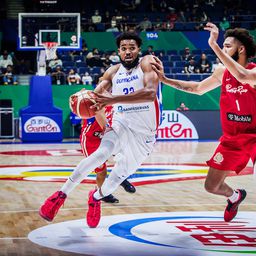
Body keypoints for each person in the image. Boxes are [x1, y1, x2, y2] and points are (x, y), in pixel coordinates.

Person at [39, 32, 161, 228]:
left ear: (139, 49)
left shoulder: (147, 63)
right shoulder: (113, 72)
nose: (128, 51)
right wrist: (83, 99)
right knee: (100, 154)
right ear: (118, 51)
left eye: (132, 48)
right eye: (123, 48)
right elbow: (95, 98)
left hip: (144, 135)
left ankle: (95, 198)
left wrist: (113, 99)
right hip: (121, 124)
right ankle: (59, 196)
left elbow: (149, 94)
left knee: (116, 178)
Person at [151, 22, 256, 222]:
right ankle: (235, 197)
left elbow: (242, 76)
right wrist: (165, 80)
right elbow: (198, 88)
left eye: (227, 46)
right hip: (232, 139)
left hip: (255, 136)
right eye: (222, 46)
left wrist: (214, 45)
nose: (223, 49)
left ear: (241, 49)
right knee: (212, 186)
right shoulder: (221, 72)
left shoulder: (253, 72)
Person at [80, 105, 136, 204]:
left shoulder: (114, 99)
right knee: (102, 171)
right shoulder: (92, 102)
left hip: (106, 135)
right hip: (91, 140)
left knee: (125, 153)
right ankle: (102, 194)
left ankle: (121, 178)